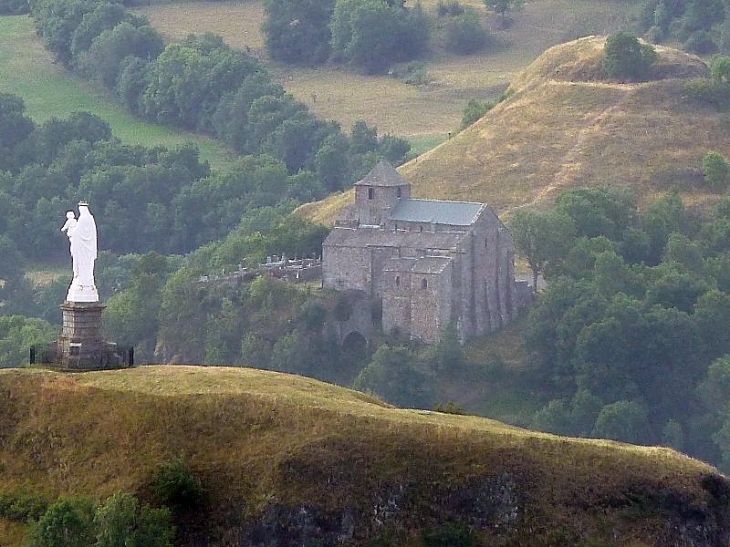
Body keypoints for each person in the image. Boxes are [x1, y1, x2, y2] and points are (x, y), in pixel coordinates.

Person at [65, 202, 98, 302]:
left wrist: (70, 232)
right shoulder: (91, 219)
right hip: (88, 250)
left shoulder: (83, 219)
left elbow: (77, 232)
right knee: (87, 267)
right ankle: (87, 283)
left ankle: (82, 283)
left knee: (81, 266)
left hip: (82, 250)